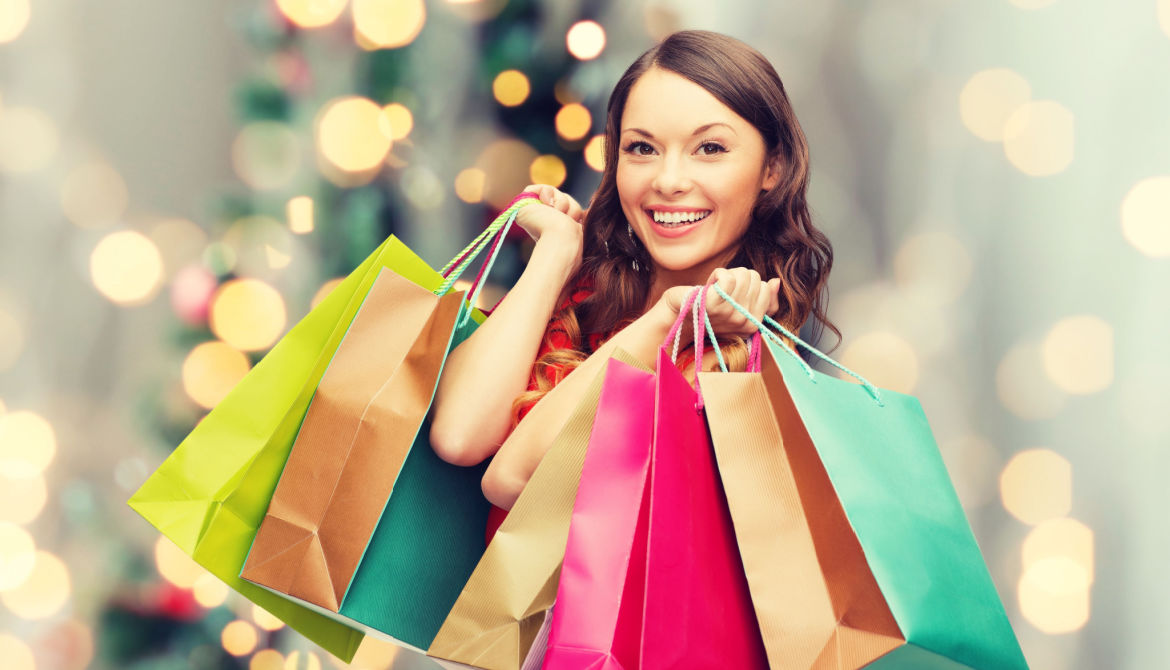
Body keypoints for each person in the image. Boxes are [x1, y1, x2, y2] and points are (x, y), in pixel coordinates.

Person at [430, 30, 839, 524]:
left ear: (772, 166)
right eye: (642, 148)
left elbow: (513, 481)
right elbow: (458, 437)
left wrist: (666, 322)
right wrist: (555, 257)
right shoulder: (591, 296)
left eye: (709, 148)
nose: (667, 181)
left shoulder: (745, 364)